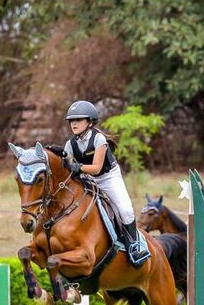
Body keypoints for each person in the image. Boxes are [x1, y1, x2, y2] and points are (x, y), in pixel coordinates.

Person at [62, 100, 149, 266]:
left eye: (78, 120)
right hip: (86, 179)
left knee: (125, 209)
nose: (73, 124)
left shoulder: (98, 139)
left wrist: (77, 166)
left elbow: (96, 168)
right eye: (71, 121)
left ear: (89, 121)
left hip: (107, 178)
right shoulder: (70, 144)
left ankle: (134, 247)